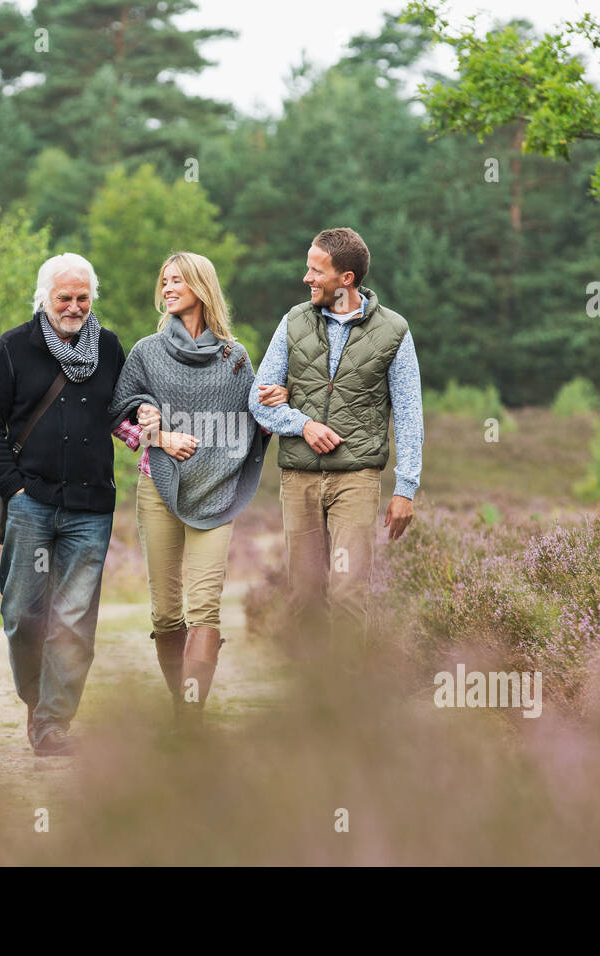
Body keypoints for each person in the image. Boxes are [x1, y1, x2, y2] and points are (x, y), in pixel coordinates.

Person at [109, 251, 289, 727]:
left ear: (200, 287)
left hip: (217, 493)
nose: (167, 289)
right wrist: (159, 435)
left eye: (177, 281)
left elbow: (255, 422)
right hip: (159, 488)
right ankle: (178, 702)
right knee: (167, 613)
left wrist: (275, 403)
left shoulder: (234, 357)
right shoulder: (146, 351)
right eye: (163, 281)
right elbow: (118, 417)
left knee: (204, 606)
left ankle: (190, 717)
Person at [0, 253, 126, 756]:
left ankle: (53, 725)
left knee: (74, 620)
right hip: (31, 503)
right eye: (65, 297)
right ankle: (37, 703)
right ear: (45, 298)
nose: (75, 306)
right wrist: (13, 488)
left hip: (91, 508)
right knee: (23, 614)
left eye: (83, 297)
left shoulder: (109, 348)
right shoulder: (14, 348)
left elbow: (123, 411)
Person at [248, 227, 424, 660]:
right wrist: (302, 424)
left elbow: (408, 411)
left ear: (346, 278)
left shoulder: (394, 331)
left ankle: (347, 707)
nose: (306, 277)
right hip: (299, 479)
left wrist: (406, 487)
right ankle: (311, 702)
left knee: (348, 592)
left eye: (315, 270)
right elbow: (259, 397)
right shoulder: (292, 322)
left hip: (357, 479)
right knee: (305, 595)